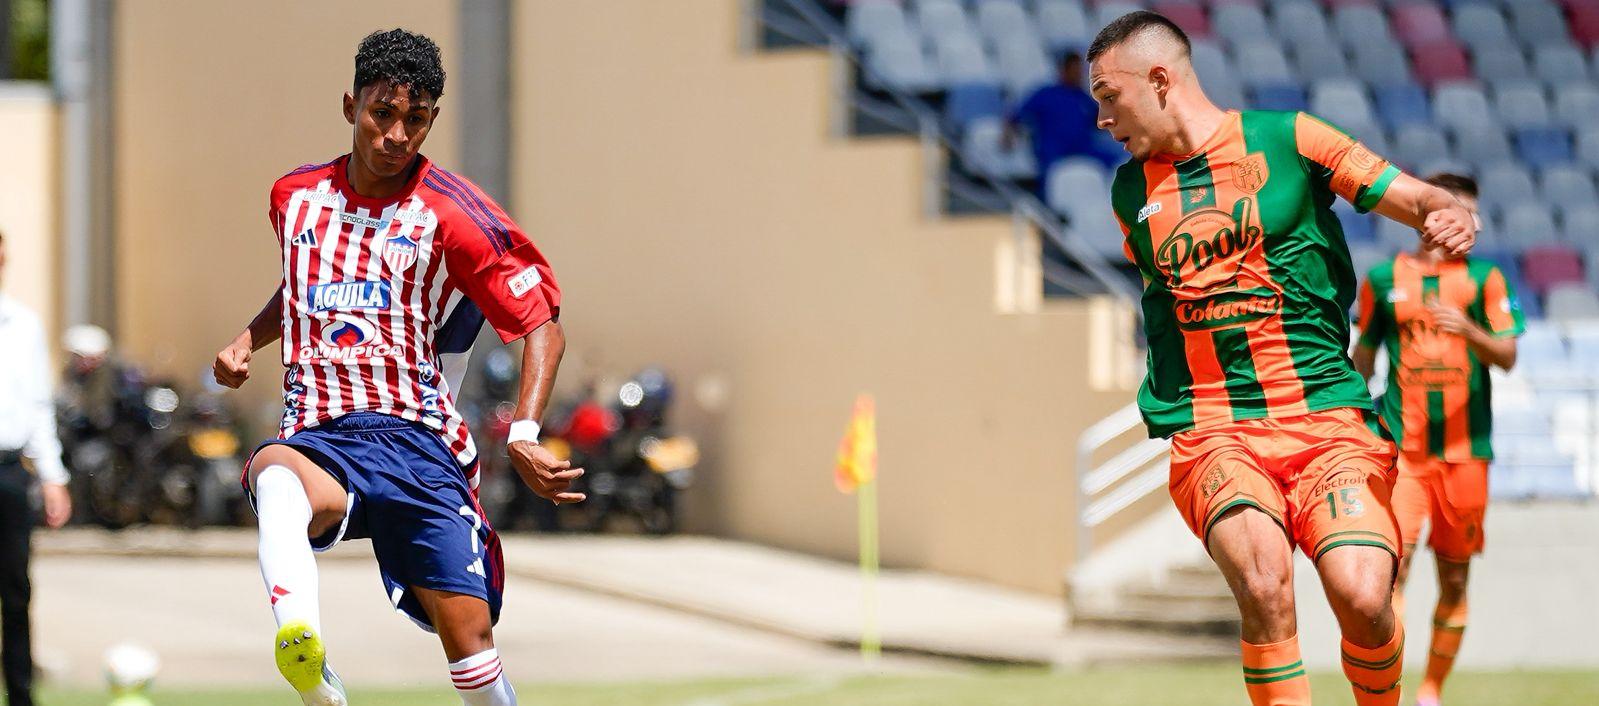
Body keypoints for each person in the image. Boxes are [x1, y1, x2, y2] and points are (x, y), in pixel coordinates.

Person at [1088, 11, 1476, 706]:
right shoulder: (1129, 194)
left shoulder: (1290, 138)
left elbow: (1408, 192)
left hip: (1326, 417)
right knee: (1264, 584)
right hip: (1216, 431)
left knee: (1362, 597)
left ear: (1158, 79)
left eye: (1107, 98)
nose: (1101, 120)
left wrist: (1442, 210)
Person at [211, 29, 580, 706]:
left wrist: (524, 434)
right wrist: (247, 338)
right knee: (274, 477)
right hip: (322, 434)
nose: (396, 134)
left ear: (432, 120)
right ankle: (307, 659)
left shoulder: (450, 213)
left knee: (469, 642)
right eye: (383, 113)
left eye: (416, 119)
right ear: (351, 105)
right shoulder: (293, 199)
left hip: (418, 442)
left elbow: (541, 326)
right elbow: (302, 284)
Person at [1353, 174, 1520, 706]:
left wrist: (1469, 330)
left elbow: (1509, 356)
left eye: (1467, 214)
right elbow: (1365, 357)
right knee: (1390, 575)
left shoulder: (1486, 278)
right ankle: (1393, 692)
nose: (1458, 222)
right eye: (1450, 210)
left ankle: (1431, 691)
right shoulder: (1382, 279)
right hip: (1404, 454)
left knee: (1453, 581)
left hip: (1466, 454)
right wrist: (1356, 419)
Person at [0, 229, 73, 706]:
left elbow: (40, 406)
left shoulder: (21, 324)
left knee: (16, 589)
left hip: (8, 472)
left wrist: (53, 476)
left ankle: (22, 696)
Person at [1003, 52, 1117, 196]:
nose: (1078, 74)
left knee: (1117, 160)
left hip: (1083, 148)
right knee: (1051, 177)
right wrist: (1007, 135)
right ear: (1063, 70)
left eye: (1080, 70)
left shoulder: (1082, 98)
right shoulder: (1045, 94)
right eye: (1074, 70)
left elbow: (1100, 122)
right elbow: (1015, 116)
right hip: (1054, 151)